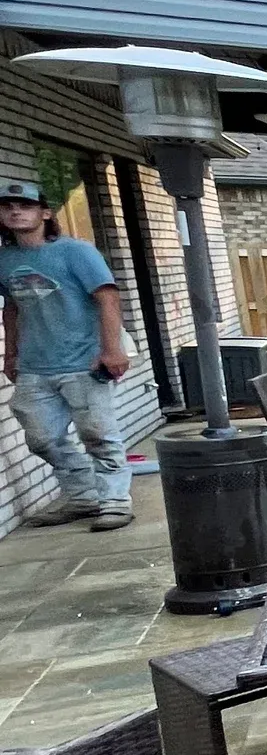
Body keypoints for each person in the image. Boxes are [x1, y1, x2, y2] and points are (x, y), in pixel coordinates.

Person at [1, 177, 135, 531]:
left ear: (45, 213)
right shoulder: (4, 259)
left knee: (98, 436)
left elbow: (107, 297)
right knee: (42, 439)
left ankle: (115, 502)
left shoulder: (75, 252)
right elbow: (11, 307)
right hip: (35, 365)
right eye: (7, 207)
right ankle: (83, 496)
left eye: (25, 205)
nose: (15, 211)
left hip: (85, 361)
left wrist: (112, 349)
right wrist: (10, 354)